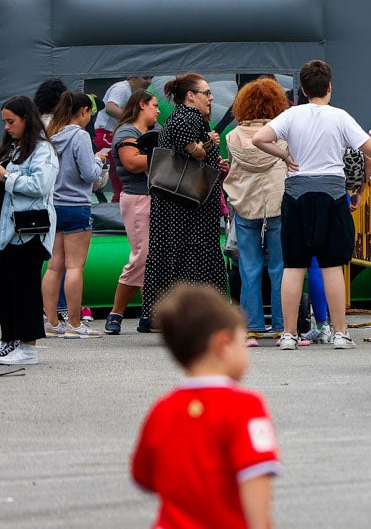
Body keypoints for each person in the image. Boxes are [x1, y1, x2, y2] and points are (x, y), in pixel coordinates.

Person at [253, 61, 371, 350]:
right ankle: (340, 333)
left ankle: (287, 334)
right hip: (332, 194)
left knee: (293, 264)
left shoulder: (291, 115)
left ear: (302, 89)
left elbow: (259, 138)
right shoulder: (340, 117)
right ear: (329, 87)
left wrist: (284, 156)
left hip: (296, 192)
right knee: (331, 264)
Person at [132, 283, 281, 529]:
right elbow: (255, 478)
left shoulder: (162, 409)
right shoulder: (246, 406)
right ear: (223, 344)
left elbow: (143, 477)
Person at [144, 74, 229, 334]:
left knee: (171, 255)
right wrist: (210, 143)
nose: (211, 97)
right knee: (193, 255)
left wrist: (213, 159)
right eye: (206, 92)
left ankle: (163, 314)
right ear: (190, 95)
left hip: (175, 202)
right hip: (187, 205)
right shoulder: (188, 117)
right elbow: (194, 152)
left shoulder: (180, 117)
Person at [224, 79, 292, 344]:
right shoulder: (282, 135)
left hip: (245, 205)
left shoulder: (232, 137)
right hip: (277, 203)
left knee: (248, 267)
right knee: (280, 266)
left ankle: (251, 328)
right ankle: (281, 326)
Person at [43, 91, 107, 338]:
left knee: (53, 267)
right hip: (77, 207)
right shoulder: (79, 136)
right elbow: (89, 174)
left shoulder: (52, 134)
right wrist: (99, 159)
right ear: (84, 112)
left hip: (53, 206)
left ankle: (51, 322)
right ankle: (74, 323)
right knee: (75, 267)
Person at [0, 96, 59, 367]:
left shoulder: (43, 149)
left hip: (30, 230)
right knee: (8, 288)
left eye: (11, 121)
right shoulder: (12, 147)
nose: (8, 127)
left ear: (26, 119)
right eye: (5, 122)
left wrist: (6, 176)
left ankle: (29, 346)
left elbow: (40, 185)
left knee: (25, 288)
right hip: (8, 231)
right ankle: (10, 340)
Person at [106, 90, 162, 335]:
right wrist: (171, 155)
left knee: (154, 258)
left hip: (158, 197)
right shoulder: (126, 132)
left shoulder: (157, 130)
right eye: (155, 105)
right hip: (138, 198)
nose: (158, 110)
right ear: (141, 105)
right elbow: (132, 163)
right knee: (142, 256)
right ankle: (116, 312)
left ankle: (148, 314)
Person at [95, 75, 151, 201]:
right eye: (145, 77)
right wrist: (133, 120)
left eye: (150, 78)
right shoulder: (121, 88)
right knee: (120, 171)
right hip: (105, 134)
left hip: (111, 134)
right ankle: (119, 199)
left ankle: (118, 198)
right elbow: (110, 108)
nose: (148, 81)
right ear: (132, 77)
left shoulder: (134, 92)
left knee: (117, 172)